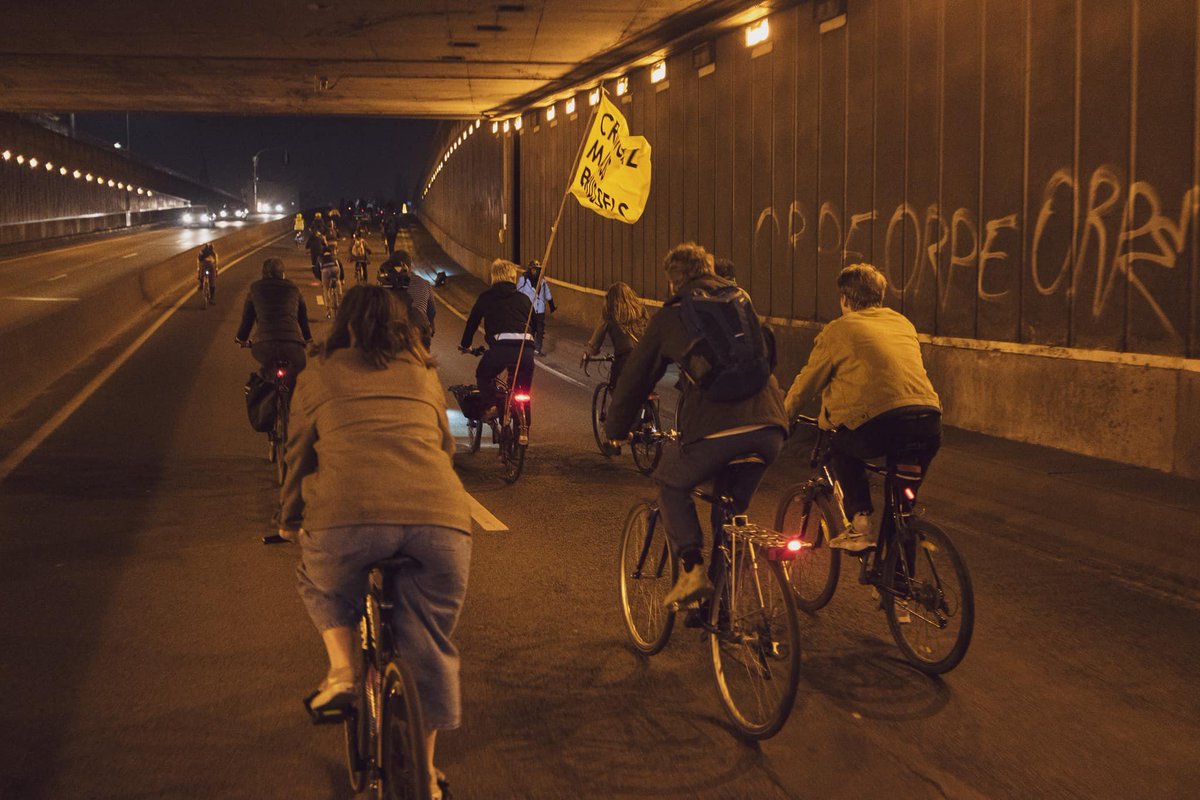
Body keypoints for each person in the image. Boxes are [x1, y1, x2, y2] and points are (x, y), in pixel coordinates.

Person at [279, 285, 471, 800]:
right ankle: (427, 778)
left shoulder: (316, 373)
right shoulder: (424, 371)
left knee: (315, 576)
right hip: (440, 520)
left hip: (348, 520)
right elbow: (444, 446)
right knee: (428, 646)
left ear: (341, 322)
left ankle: (343, 672)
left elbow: (299, 456)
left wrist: (291, 521)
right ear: (403, 324)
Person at [605, 242, 787, 609]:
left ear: (673, 281)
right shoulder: (741, 300)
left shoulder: (674, 314)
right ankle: (722, 605)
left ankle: (692, 570)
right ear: (710, 269)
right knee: (730, 509)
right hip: (770, 426)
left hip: (716, 428)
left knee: (671, 483)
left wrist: (616, 429)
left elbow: (636, 380)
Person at [783, 262, 942, 551]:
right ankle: (900, 588)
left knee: (839, 445)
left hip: (884, 426)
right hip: (928, 421)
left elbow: (807, 382)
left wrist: (784, 417)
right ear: (880, 295)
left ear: (844, 299)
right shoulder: (902, 323)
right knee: (901, 511)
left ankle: (860, 524)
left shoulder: (839, 330)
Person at [459, 259, 535, 417]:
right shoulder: (525, 299)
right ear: (513, 277)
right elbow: (534, 323)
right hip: (525, 351)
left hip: (501, 349)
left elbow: (472, 322)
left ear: (494, 276)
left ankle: (493, 404)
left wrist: (466, 344)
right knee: (524, 391)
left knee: (483, 375)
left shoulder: (486, 297)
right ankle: (524, 422)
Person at [234, 258, 313, 389]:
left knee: (266, 370)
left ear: (263, 274)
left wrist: (241, 339)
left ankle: (260, 381)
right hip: (291, 344)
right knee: (299, 370)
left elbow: (247, 319)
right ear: (283, 274)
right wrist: (308, 338)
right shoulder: (294, 289)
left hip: (263, 345)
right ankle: (292, 402)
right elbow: (303, 318)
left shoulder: (255, 289)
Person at [582, 281, 649, 391]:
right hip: (646, 358)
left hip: (625, 359)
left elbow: (598, 335)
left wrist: (589, 353)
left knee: (615, 389)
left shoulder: (609, 313)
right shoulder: (641, 310)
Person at [516, 260, 555, 355]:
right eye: (533, 270)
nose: (535, 272)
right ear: (530, 269)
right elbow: (518, 292)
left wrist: (551, 305)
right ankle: (530, 346)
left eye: (537, 270)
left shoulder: (542, 281)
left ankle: (538, 349)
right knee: (531, 329)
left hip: (540, 309)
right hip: (529, 308)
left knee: (540, 329)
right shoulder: (524, 280)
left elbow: (547, 293)